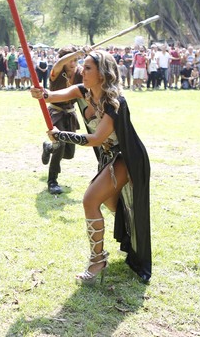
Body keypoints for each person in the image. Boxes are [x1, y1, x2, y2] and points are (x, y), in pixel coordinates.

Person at [31, 50, 151, 284]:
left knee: (90, 200)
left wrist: (61, 135)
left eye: (87, 68)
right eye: (82, 67)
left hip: (127, 158)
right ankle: (128, 237)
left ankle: (97, 261)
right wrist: (42, 94)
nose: (81, 72)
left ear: (102, 73)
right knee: (115, 205)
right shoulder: (83, 92)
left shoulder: (115, 102)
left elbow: (96, 138)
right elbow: (54, 95)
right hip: (108, 158)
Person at [40, 45, 83, 194]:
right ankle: (52, 181)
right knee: (60, 143)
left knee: (69, 153)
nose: (74, 63)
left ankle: (48, 147)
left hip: (70, 113)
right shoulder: (57, 72)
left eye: (76, 59)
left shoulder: (80, 73)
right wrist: (76, 53)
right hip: (56, 111)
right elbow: (58, 64)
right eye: (71, 60)